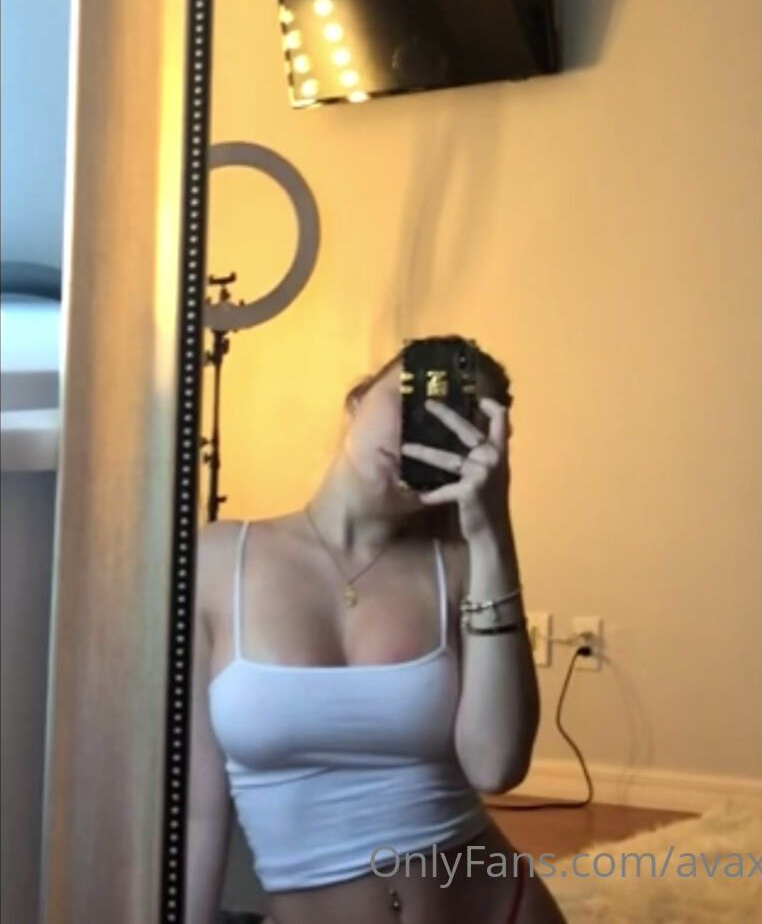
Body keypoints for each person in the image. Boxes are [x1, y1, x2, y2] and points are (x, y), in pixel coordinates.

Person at [186, 335, 568, 924]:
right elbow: (197, 813)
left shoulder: (462, 567)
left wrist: (491, 532)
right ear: (358, 398)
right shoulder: (217, 559)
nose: (417, 433)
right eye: (409, 400)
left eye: (455, 426)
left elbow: (496, 767)